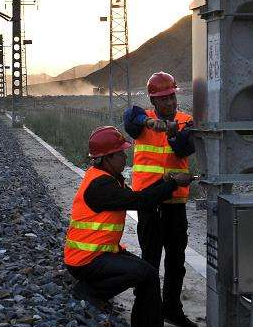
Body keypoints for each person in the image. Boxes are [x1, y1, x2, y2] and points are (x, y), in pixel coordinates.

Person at [63, 126, 194, 327]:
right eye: (121, 153)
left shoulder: (104, 178)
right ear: (107, 158)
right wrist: (173, 184)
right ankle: (91, 291)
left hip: (96, 254)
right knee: (147, 274)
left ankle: (141, 319)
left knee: (147, 272)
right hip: (87, 260)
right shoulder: (102, 186)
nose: (126, 157)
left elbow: (137, 197)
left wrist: (163, 180)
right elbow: (141, 202)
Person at [123, 71, 197, 327]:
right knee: (150, 260)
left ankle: (172, 310)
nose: (169, 103)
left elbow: (185, 148)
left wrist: (174, 132)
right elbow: (129, 116)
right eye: (163, 99)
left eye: (172, 97)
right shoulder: (142, 120)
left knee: (176, 261)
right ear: (153, 101)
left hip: (176, 203)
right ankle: (147, 313)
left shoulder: (186, 121)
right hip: (149, 204)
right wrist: (149, 122)